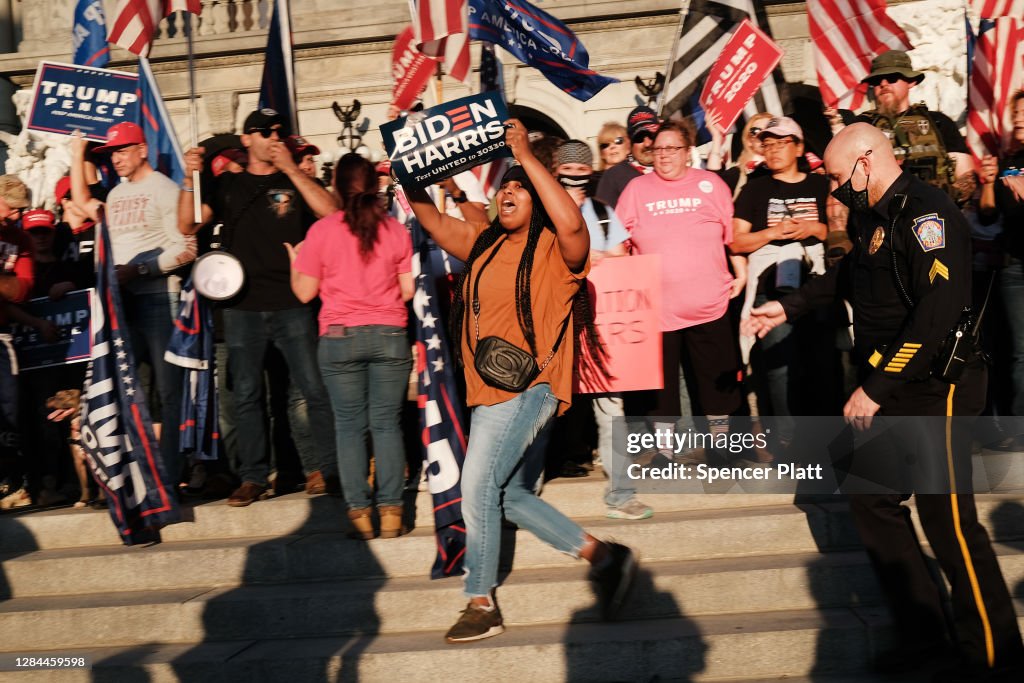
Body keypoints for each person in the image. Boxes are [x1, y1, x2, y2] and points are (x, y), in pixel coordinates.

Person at [745, 123, 1024, 682]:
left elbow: (937, 313)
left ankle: (996, 657)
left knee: (947, 521)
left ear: (867, 162)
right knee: (872, 502)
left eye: (839, 176)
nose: (835, 189)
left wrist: (873, 389)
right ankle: (925, 642)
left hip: (937, 386)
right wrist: (789, 306)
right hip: (890, 382)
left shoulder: (929, 213)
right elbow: (851, 274)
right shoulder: (876, 214)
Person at [406, 120, 637, 644]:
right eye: (504, 186)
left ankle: (480, 600)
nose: (509, 192)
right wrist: (412, 169)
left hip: (529, 386)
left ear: (539, 198)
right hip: (486, 390)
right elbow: (426, 216)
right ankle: (606, 558)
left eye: (520, 188)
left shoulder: (560, 249)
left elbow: (575, 225)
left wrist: (527, 158)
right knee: (505, 493)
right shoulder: (483, 242)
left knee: (477, 487)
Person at [179, 108, 340, 506]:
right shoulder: (228, 186)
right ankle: (253, 476)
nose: (273, 136)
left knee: (313, 390)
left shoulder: (294, 180)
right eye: (263, 131)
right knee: (248, 394)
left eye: (278, 131)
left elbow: (333, 213)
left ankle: (328, 468)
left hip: (293, 302)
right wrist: (189, 179)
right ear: (246, 139)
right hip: (242, 306)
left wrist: (293, 168)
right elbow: (188, 224)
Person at [287, 153, 414, 539]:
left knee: (349, 426)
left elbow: (305, 292)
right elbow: (407, 290)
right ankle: (392, 512)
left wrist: (295, 261)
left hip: (340, 337)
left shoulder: (322, 231)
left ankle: (359, 514)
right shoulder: (395, 230)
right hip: (390, 333)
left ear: (336, 187)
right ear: (375, 187)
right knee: (387, 424)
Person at [70, 123, 195, 485]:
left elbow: (187, 248)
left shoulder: (164, 189)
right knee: (127, 391)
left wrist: (141, 269)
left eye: (123, 150)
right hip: (121, 304)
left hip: (158, 299)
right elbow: (82, 202)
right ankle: (138, 475)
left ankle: (171, 475)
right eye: (111, 153)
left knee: (169, 391)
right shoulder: (116, 195)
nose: (117, 158)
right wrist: (77, 156)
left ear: (143, 149)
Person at [615, 120, 746, 450]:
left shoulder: (711, 184)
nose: (663, 156)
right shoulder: (636, 190)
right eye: (658, 149)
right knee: (661, 393)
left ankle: (722, 449)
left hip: (710, 303)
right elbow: (619, 241)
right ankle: (665, 453)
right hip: (656, 310)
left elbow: (730, 235)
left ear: (688, 153)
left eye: (672, 148)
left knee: (716, 385)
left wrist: (741, 272)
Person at [553, 139, 652, 519]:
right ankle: (519, 491)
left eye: (583, 178)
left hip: (603, 325)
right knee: (539, 407)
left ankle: (622, 493)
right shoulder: (542, 213)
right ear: (556, 173)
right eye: (568, 179)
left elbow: (623, 260)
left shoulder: (603, 213)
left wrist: (595, 260)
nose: (577, 186)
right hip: (554, 327)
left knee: (611, 408)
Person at [731, 117, 830, 452]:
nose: (772, 150)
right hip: (770, 285)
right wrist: (773, 233)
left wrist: (811, 230)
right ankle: (787, 439)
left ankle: (824, 437)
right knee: (779, 364)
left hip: (816, 281)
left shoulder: (821, 186)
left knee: (822, 360)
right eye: (767, 144)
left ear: (799, 147)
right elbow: (736, 242)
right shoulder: (755, 189)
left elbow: (839, 232)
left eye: (781, 143)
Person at [830, 50, 975, 206]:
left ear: (911, 82)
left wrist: (936, 198)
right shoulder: (861, 126)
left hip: (935, 218)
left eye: (892, 78)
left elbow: (967, 178)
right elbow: (840, 183)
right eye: (877, 80)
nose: (883, 84)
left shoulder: (938, 122)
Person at [979, 90, 1024, 421]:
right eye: (1017, 112)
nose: (1019, 117)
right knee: (1017, 351)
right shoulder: (1010, 162)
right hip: (1014, 267)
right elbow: (988, 217)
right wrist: (989, 184)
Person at [0, 175, 35, 508]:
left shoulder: (20, 239)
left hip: (2, 335)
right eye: (11, 208)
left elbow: (23, 289)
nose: (15, 215)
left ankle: (10, 483)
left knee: (9, 409)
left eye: (20, 209)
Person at [595, 106, 658, 208]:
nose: (647, 144)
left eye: (652, 136)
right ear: (630, 144)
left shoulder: (674, 167)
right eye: (639, 138)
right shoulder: (615, 176)